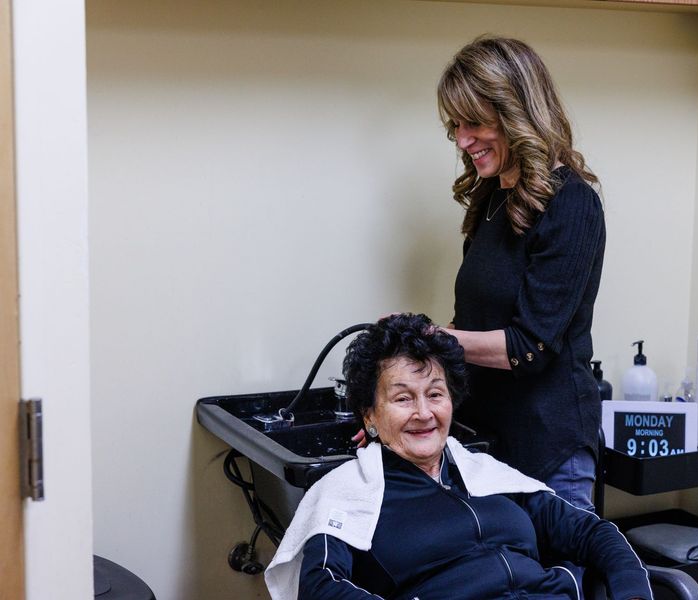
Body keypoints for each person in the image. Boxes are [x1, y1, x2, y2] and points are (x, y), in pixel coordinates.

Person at [265, 314, 651, 600]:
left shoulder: (489, 476)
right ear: (370, 416)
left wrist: (632, 592)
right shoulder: (349, 494)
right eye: (402, 398)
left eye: (435, 394)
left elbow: (593, 532)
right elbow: (320, 586)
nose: (423, 412)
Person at [436, 36, 606, 510]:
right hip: (490, 440)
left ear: (517, 111)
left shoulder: (573, 205)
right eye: (456, 125)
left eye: (474, 122)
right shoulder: (492, 198)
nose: (463, 140)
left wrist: (436, 338)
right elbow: (474, 324)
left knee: (557, 583)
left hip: (551, 449)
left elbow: (529, 348)